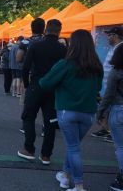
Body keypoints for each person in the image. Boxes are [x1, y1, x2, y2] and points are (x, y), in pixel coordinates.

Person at [39, 30, 103, 191]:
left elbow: (45, 83)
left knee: (74, 148)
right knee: (73, 146)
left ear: (72, 44)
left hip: (67, 111)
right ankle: (65, 177)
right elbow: (99, 88)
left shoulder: (65, 64)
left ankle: (79, 185)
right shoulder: (97, 66)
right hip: (88, 113)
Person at [18, 19, 67, 164]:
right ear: (59, 31)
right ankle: (46, 155)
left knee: (28, 117)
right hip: (54, 89)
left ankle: (29, 149)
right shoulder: (63, 49)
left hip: (36, 85)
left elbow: (25, 67)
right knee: (50, 121)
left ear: (46, 29)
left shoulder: (35, 45)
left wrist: (27, 84)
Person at [97, 44, 123, 190]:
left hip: (118, 110)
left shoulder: (116, 72)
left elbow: (108, 95)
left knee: (120, 147)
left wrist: (100, 112)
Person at [92, 27, 123, 141]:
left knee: (111, 108)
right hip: (108, 85)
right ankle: (107, 129)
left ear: (115, 36)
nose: (107, 37)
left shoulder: (120, 48)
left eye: (109, 35)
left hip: (115, 86)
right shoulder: (114, 48)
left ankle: (112, 131)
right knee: (107, 109)